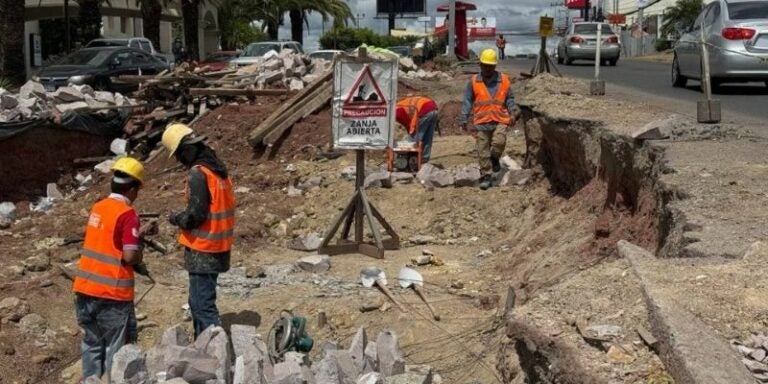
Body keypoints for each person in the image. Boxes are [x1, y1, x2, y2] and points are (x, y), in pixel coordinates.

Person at [73, 157, 146, 381]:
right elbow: (129, 255)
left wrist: (136, 236)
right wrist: (139, 247)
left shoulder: (99, 207)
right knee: (116, 351)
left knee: (92, 344)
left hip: (85, 291)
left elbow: (107, 241)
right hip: (112, 294)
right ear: (132, 189)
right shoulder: (128, 214)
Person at [161, 123, 235, 338]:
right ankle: (205, 348)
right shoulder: (218, 171)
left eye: (179, 155)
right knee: (201, 301)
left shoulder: (198, 173)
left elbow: (195, 215)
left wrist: (176, 218)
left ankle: (214, 353)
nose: (179, 160)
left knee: (202, 305)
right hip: (219, 245)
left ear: (187, 150)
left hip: (203, 248)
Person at [460, 48, 515, 190]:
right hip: (481, 122)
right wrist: (464, 118)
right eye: (485, 65)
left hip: (500, 119)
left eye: (490, 66)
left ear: (495, 66)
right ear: (480, 65)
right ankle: (486, 176)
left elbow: (509, 98)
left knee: (499, 142)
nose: (488, 69)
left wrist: (512, 112)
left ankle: (494, 158)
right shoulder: (473, 82)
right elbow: (467, 101)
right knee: (482, 150)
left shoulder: (504, 80)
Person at [395, 96, 439, 164]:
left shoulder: (397, 111)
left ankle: (409, 162)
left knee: (413, 140)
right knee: (427, 137)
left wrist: (412, 133)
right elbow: (408, 123)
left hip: (424, 111)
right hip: (433, 108)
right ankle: (424, 159)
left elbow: (409, 123)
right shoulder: (403, 104)